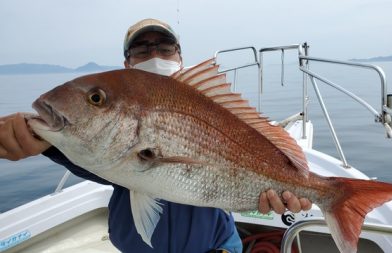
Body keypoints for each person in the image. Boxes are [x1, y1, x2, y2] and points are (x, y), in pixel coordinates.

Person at [0, 18, 312, 252]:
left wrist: (289, 188)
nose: (154, 54)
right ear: (127, 63)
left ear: (179, 58)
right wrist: (40, 142)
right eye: (141, 48)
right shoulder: (111, 150)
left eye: (164, 48)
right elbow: (96, 154)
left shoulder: (206, 103)